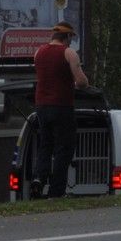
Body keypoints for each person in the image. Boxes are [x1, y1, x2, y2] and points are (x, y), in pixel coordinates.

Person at [33, 21, 90, 198]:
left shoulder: (39, 53)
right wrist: (80, 84)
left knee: (45, 145)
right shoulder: (68, 53)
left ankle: (39, 178)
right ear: (66, 37)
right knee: (63, 149)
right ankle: (56, 191)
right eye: (70, 38)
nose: (71, 41)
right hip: (62, 107)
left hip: (41, 106)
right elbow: (81, 82)